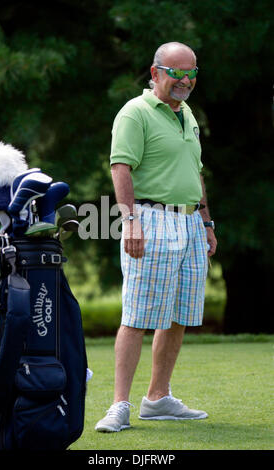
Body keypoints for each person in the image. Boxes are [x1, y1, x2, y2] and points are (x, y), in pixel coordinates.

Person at [95, 41, 217, 432]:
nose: (184, 80)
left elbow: (195, 172)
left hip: (190, 223)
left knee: (180, 314)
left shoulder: (188, 115)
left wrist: (207, 222)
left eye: (191, 72)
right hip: (150, 218)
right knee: (136, 315)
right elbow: (120, 168)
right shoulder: (135, 112)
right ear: (155, 72)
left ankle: (158, 398)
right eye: (176, 72)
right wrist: (129, 221)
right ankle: (119, 406)